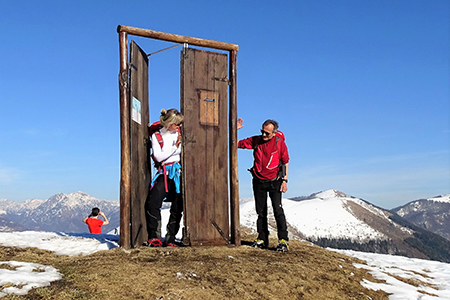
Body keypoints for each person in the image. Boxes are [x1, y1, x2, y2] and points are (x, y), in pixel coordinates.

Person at [237, 118, 290, 252]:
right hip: (258, 181)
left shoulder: (280, 143)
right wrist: (235, 129)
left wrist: (284, 180)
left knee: (277, 210)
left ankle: (283, 240)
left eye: (267, 133)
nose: (264, 135)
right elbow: (236, 144)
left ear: (274, 133)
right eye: (262, 132)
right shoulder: (256, 140)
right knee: (261, 212)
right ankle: (262, 239)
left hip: (275, 181)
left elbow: (285, 162)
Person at [144, 108, 184, 247]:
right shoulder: (157, 136)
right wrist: (175, 147)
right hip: (164, 172)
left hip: (178, 173)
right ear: (170, 124)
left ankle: (170, 237)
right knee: (153, 202)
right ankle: (154, 236)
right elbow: (159, 156)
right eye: (177, 124)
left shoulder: (180, 133)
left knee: (178, 206)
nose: (179, 127)